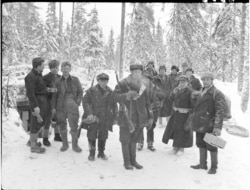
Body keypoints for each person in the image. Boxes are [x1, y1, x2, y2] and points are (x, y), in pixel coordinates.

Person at [82, 73, 137, 161]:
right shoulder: (91, 90)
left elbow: (114, 105)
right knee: (91, 134)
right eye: (101, 81)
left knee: (103, 135)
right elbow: (85, 101)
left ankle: (101, 153)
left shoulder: (111, 92)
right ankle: (91, 153)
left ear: (107, 81)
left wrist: (115, 117)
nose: (103, 83)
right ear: (98, 81)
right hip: (93, 116)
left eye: (105, 81)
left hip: (105, 117)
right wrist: (89, 113)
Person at [113, 63, 153, 170]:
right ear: (131, 72)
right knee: (125, 140)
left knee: (134, 140)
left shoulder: (144, 84)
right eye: (135, 72)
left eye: (139, 72)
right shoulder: (123, 83)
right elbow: (114, 97)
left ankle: (133, 160)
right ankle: (127, 162)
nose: (137, 74)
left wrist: (150, 116)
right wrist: (126, 95)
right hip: (126, 116)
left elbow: (147, 101)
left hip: (139, 116)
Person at [190, 72, 225, 174]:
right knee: (200, 144)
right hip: (199, 123)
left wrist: (217, 127)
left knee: (212, 146)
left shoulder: (217, 93)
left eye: (207, 79)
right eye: (203, 80)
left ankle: (214, 167)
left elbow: (220, 112)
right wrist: (193, 98)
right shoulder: (201, 91)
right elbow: (196, 107)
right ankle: (202, 164)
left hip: (210, 125)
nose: (205, 82)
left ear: (211, 80)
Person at [52, 61, 83, 153]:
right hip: (60, 105)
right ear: (61, 69)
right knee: (62, 125)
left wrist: (77, 102)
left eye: (67, 68)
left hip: (72, 104)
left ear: (70, 69)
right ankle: (65, 144)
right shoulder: (57, 81)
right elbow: (54, 95)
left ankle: (75, 145)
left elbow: (80, 92)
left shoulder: (75, 80)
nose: (65, 70)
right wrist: (53, 107)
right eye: (64, 68)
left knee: (74, 125)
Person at [162, 75, 193, 156]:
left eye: (184, 82)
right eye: (181, 82)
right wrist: (173, 93)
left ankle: (181, 149)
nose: (182, 83)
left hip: (185, 115)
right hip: (176, 114)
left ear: (187, 83)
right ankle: (175, 147)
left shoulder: (190, 91)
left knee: (182, 132)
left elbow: (193, 105)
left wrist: (190, 116)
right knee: (175, 130)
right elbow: (170, 99)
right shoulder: (176, 90)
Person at [137, 67, 165, 151]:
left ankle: (150, 143)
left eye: (148, 78)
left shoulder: (155, 88)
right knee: (140, 126)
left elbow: (162, 97)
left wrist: (158, 99)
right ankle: (140, 142)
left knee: (151, 127)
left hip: (153, 111)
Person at [24, 57, 48, 153]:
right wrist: (35, 106)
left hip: (42, 102)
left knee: (40, 121)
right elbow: (30, 93)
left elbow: (39, 88)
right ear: (38, 66)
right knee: (36, 123)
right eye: (43, 66)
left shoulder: (38, 75)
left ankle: (31, 141)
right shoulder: (30, 76)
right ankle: (33, 146)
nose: (44, 67)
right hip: (36, 103)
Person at [42, 60, 62, 146]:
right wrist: (49, 90)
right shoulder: (45, 77)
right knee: (47, 119)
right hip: (48, 101)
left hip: (58, 102)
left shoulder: (61, 77)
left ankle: (57, 135)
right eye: (53, 68)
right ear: (50, 68)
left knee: (56, 118)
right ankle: (45, 138)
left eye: (56, 67)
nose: (55, 69)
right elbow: (42, 88)